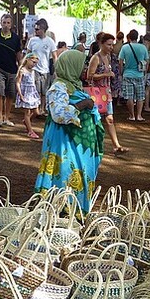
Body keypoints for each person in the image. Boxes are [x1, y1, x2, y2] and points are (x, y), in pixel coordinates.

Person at [35, 50, 105, 214]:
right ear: (71, 66)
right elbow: (59, 114)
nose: (85, 69)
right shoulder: (58, 87)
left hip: (76, 143)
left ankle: (74, 211)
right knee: (67, 172)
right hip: (65, 143)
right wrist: (83, 105)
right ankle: (62, 210)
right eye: (82, 65)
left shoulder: (74, 86)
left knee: (78, 173)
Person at [87, 32, 128, 155]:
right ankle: (93, 145)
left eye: (112, 45)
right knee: (96, 119)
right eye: (109, 45)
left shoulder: (108, 57)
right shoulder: (96, 58)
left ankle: (116, 145)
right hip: (98, 93)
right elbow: (90, 76)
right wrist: (106, 74)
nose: (111, 47)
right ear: (102, 44)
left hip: (107, 92)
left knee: (110, 118)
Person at [26, 18, 57, 117]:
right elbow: (27, 53)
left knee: (44, 91)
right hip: (34, 69)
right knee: (36, 90)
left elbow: (54, 56)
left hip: (45, 69)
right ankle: (37, 108)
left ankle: (42, 108)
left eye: (37, 29)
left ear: (43, 29)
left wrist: (56, 68)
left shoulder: (50, 41)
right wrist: (26, 65)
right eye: (35, 29)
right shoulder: (32, 40)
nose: (36, 31)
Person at [118, 29, 149, 122]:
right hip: (139, 75)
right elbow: (147, 62)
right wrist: (144, 72)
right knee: (140, 96)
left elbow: (120, 62)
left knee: (129, 96)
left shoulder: (125, 47)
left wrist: (121, 72)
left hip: (127, 74)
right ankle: (139, 115)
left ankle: (131, 115)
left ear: (129, 37)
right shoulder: (143, 47)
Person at [15, 52, 41, 139]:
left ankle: (27, 121)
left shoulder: (33, 71)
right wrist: (20, 94)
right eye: (33, 62)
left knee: (36, 112)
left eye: (36, 63)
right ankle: (30, 131)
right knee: (27, 112)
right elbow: (18, 83)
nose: (34, 65)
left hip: (32, 92)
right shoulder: (22, 70)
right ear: (28, 60)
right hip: (25, 92)